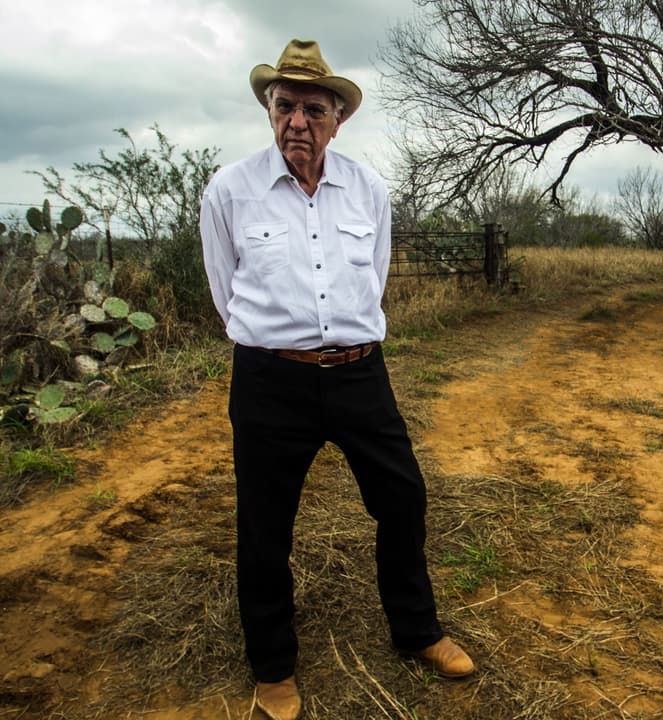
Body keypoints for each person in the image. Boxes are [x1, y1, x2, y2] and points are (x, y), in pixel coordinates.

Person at [199, 39, 475, 720]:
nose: (298, 121)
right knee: (265, 524)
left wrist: (341, 341)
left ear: (337, 118)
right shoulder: (230, 190)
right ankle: (273, 666)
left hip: (358, 374)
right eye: (284, 106)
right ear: (269, 111)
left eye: (313, 109)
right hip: (270, 381)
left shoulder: (368, 188)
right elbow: (224, 292)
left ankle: (417, 630)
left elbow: (371, 278)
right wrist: (280, 343)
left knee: (403, 498)